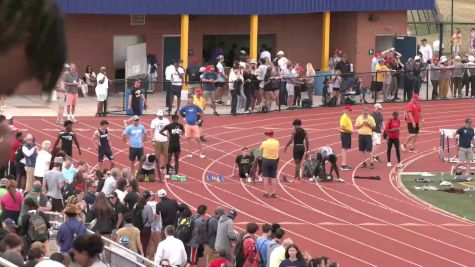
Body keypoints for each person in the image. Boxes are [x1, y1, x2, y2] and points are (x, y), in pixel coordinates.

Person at [260, 131, 280, 198]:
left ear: (267, 135)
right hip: (274, 161)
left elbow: (261, 149)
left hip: (266, 160)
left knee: (266, 177)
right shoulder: (277, 142)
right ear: (272, 135)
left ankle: (267, 193)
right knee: (273, 177)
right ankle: (274, 193)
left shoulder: (264, 143)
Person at [151, 109, 170, 179]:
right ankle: (158, 169)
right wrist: (152, 140)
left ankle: (164, 168)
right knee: (157, 156)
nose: (160, 117)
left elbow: (168, 129)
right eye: (159, 116)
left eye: (161, 116)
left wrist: (168, 136)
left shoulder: (166, 120)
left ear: (163, 115)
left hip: (165, 140)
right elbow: (152, 131)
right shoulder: (154, 121)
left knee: (166, 155)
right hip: (157, 140)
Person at [339, 106, 353, 170]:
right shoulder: (344, 117)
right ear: (346, 110)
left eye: (350, 110)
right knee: (344, 149)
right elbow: (342, 127)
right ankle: (343, 165)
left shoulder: (347, 117)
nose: (350, 112)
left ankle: (344, 164)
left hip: (346, 134)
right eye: (349, 110)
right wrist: (350, 131)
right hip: (345, 134)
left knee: (345, 149)